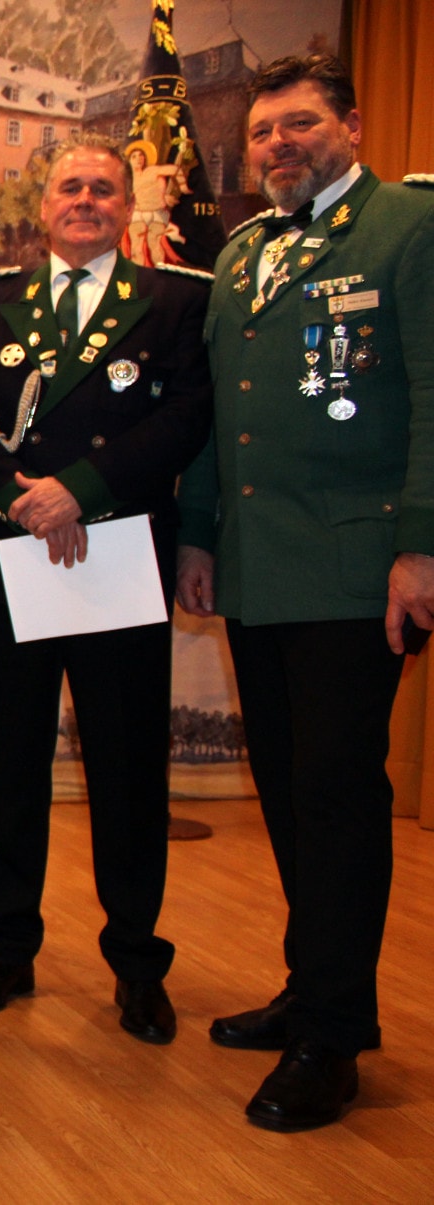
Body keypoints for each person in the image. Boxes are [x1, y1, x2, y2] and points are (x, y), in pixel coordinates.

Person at [176, 54, 434, 1131]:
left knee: (335, 796)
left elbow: (431, 393)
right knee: (285, 788)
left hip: (357, 570)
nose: (278, 145)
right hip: (259, 567)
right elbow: (216, 409)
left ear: (352, 125)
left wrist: (421, 546)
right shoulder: (246, 253)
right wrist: (197, 534)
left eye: (299, 125)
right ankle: (311, 986)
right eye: (266, 132)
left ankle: (335, 1036)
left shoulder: (405, 231)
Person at [0, 139, 213, 1044]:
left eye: (104, 187)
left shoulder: (177, 300)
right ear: (42, 201)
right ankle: (7, 948)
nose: (86, 200)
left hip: (119, 556)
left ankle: (137, 960)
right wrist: (27, 501)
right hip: (18, 553)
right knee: (12, 760)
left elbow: (187, 417)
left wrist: (81, 492)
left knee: (126, 768)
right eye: (71, 187)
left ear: (126, 202)